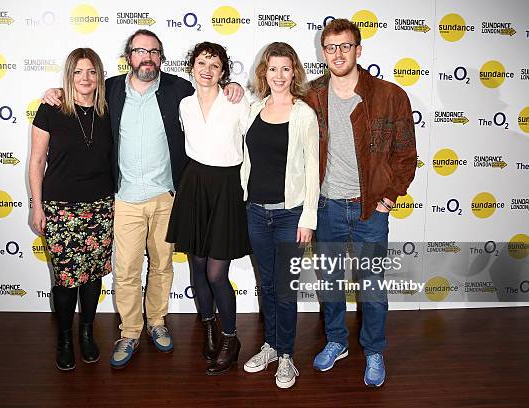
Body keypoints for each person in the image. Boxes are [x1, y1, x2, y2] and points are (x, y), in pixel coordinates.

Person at [44, 30, 244, 369]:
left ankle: (157, 323)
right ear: (128, 57)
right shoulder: (110, 90)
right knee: (126, 270)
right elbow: (79, 91)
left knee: (162, 266)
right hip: (124, 198)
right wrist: (55, 92)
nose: (147, 57)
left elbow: (212, 92)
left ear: (161, 58)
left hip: (167, 195)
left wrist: (232, 87)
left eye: (153, 51)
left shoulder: (178, 89)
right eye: (140, 51)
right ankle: (130, 331)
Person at [304, 19, 417, 387]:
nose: (338, 54)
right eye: (331, 47)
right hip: (327, 206)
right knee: (331, 282)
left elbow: (406, 155)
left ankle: (374, 350)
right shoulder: (311, 95)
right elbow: (271, 108)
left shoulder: (390, 95)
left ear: (359, 49)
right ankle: (337, 341)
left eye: (346, 46)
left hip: (370, 208)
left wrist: (388, 198)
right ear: (323, 52)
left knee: (372, 286)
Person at [165, 42, 251, 375]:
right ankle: (210, 329)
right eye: (202, 62)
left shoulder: (236, 101)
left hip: (227, 187)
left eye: (215, 65)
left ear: (224, 72)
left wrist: (249, 187)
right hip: (194, 185)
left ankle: (230, 339)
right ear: (192, 67)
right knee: (197, 267)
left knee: (217, 273)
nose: (207, 69)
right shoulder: (184, 104)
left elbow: (255, 138)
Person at [240, 42, 319, 389]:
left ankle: (287, 356)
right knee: (267, 285)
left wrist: (308, 218)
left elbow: (313, 170)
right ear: (264, 72)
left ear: (295, 72)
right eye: (272, 69)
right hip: (255, 212)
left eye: (286, 69)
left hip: (291, 215)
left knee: (286, 289)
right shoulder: (253, 109)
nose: (279, 76)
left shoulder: (304, 114)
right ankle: (271, 345)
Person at [29, 48, 114, 371]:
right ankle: (64, 339)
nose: (85, 78)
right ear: (69, 75)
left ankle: (87, 333)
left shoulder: (109, 111)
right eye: (78, 72)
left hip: (101, 206)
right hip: (59, 208)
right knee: (65, 279)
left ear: (99, 75)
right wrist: (37, 206)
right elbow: (37, 161)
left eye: (91, 71)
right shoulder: (50, 109)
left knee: (92, 276)